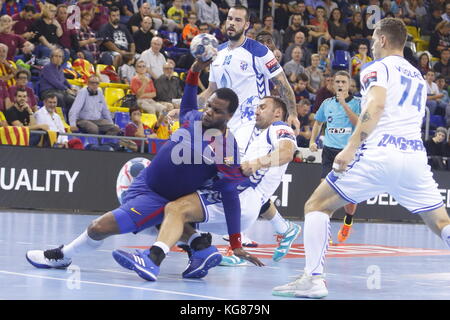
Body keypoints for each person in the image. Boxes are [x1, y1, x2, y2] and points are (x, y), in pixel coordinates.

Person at [26, 59, 261, 280]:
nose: (209, 111)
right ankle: (200, 247)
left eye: (217, 111)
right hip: (145, 181)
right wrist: (195, 70)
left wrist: (236, 242)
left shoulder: (226, 149)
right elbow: (189, 101)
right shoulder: (197, 117)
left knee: (99, 227)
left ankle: (62, 256)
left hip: (160, 198)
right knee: (153, 222)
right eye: (209, 106)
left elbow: (230, 195)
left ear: (230, 117)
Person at [273, 18, 450, 299]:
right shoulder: (417, 75)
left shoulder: (376, 68)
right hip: (415, 157)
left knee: (316, 205)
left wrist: (351, 146)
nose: (370, 43)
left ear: (381, 39)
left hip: (379, 153)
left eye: (372, 38)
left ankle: (314, 279)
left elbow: (376, 105)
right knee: (441, 222)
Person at [112, 66, 298, 279]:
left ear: (277, 113)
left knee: (174, 209)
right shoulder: (254, 133)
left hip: (242, 197)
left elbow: (286, 153)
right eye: (257, 106)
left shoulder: (279, 127)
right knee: (169, 212)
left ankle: (153, 259)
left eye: (263, 107)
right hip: (241, 198)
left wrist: (256, 163)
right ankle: (200, 252)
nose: (257, 110)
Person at [201, 5, 299, 156]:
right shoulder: (217, 52)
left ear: (246, 25)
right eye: (230, 19)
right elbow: (211, 91)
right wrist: (184, 107)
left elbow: (282, 84)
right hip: (224, 125)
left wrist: (292, 114)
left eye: (238, 20)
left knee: (240, 172)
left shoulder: (258, 51)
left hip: (251, 124)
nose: (232, 23)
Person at [309, 70, 360, 242]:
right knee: (324, 192)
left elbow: (358, 124)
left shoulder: (357, 103)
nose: (339, 85)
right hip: (329, 151)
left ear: (349, 85)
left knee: (349, 199)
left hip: (347, 153)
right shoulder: (327, 103)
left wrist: (344, 104)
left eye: (343, 82)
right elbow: (318, 122)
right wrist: (312, 140)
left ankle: (348, 221)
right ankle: (326, 232)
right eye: (337, 82)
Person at [39, 48, 76, 117]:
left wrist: (71, 87)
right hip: (48, 92)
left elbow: (64, 80)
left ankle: (70, 119)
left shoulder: (60, 69)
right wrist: (67, 89)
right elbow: (55, 82)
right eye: (56, 56)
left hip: (59, 91)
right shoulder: (47, 68)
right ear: (51, 58)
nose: (58, 58)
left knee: (72, 99)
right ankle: (61, 118)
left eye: (60, 56)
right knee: (59, 98)